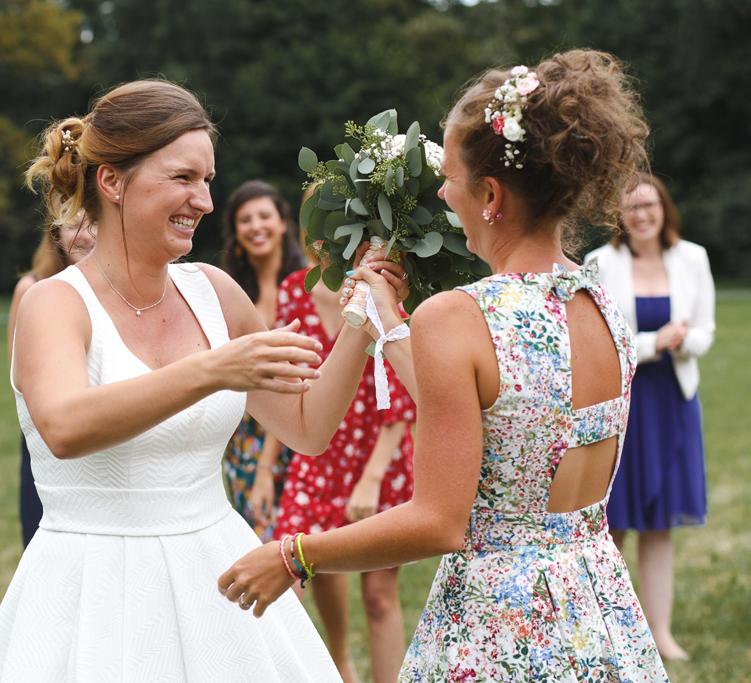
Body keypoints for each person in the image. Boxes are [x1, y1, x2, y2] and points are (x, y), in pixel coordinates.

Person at [220, 50, 671, 682]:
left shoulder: (463, 315)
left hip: (500, 625)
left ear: (490, 195)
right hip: (596, 611)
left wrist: (295, 554)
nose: (440, 191)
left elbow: (437, 522)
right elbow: (502, 409)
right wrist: (391, 328)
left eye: (450, 175)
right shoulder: (599, 301)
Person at [0, 80, 409, 682]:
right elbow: (64, 426)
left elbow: (307, 428)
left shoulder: (215, 292)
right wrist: (212, 370)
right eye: (183, 178)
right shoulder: (54, 304)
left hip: (217, 578)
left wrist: (360, 318)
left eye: (207, 180)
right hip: (91, 586)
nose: (203, 200)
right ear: (112, 182)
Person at [585, 172, 715, 660]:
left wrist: (681, 340)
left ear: (665, 208)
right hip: (622, 403)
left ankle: (659, 632)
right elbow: (599, 341)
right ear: (619, 216)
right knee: (612, 521)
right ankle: (607, 632)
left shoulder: (693, 258)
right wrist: (651, 344)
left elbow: (705, 330)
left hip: (674, 400)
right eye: (632, 207)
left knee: (659, 521)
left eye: (650, 205)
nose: (642, 215)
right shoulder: (599, 263)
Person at [272, 265, 416, 683]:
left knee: (378, 595)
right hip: (318, 456)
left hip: (376, 453)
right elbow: (285, 382)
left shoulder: (380, 287)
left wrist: (372, 478)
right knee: (289, 580)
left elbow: (403, 397)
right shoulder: (292, 289)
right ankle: (337, 668)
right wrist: (268, 466)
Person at [220, 180, 304, 540]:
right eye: (245, 219)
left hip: (298, 426)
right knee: (257, 542)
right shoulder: (227, 292)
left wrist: (267, 465)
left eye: (264, 216)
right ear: (235, 233)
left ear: (283, 223)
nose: (256, 226)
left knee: (301, 554)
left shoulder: (306, 284)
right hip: (243, 439)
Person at [8, 210, 96, 547]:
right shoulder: (32, 289)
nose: (85, 236)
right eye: (73, 225)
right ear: (55, 233)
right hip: (50, 440)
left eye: (93, 223)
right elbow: (22, 378)